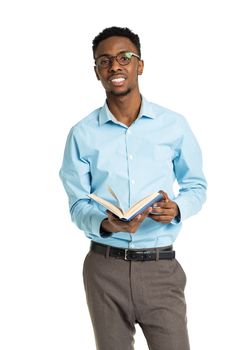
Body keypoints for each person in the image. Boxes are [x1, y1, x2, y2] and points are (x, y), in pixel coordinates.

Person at [59, 26, 207, 350]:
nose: (115, 66)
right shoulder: (81, 134)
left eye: (125, 57)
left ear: (140, 65)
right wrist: (105, 223)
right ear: (96, 70)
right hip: (104, 269)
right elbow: (77, 204)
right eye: (105, 60)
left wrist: (178, 208)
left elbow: (196, 185)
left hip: (160, 268)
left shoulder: (174, 125)